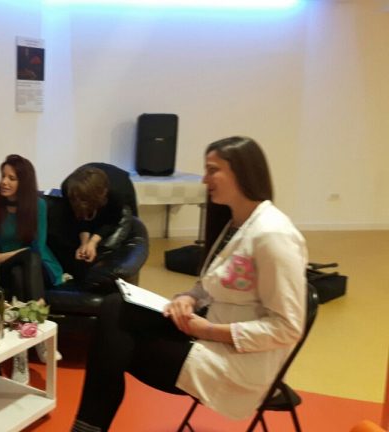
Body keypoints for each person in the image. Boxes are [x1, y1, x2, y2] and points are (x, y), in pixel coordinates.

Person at [71, 137, 308, 432]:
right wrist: (188, 298)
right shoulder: (235, 224)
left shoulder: (273, 236)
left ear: (242, 172)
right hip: (208, 333)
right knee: (114, 307)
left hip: (237, 364)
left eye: (213, 170)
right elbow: (212, 284)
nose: (204, 180)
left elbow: (287, 327)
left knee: (114, 346)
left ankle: (87, 427)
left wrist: (208, 330)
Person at [0, 154, 63, 383]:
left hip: (36, 264)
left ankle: (21, 355)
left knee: (26, 263)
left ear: (23, 182)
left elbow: (37, 246)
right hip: (6, 266)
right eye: (3, 176)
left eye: (12, 178)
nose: (4, 182)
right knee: (17, 269)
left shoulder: (38, 206)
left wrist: (2, 256)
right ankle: (38, 332)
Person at [60, 162, 138, 285]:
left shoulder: (116, 194)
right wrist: (84, 243)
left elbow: (112, 220)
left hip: (120, 182)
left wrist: (93, 242)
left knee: (130, 228)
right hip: (91, 184)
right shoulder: (68, 188)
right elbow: (77, 217)